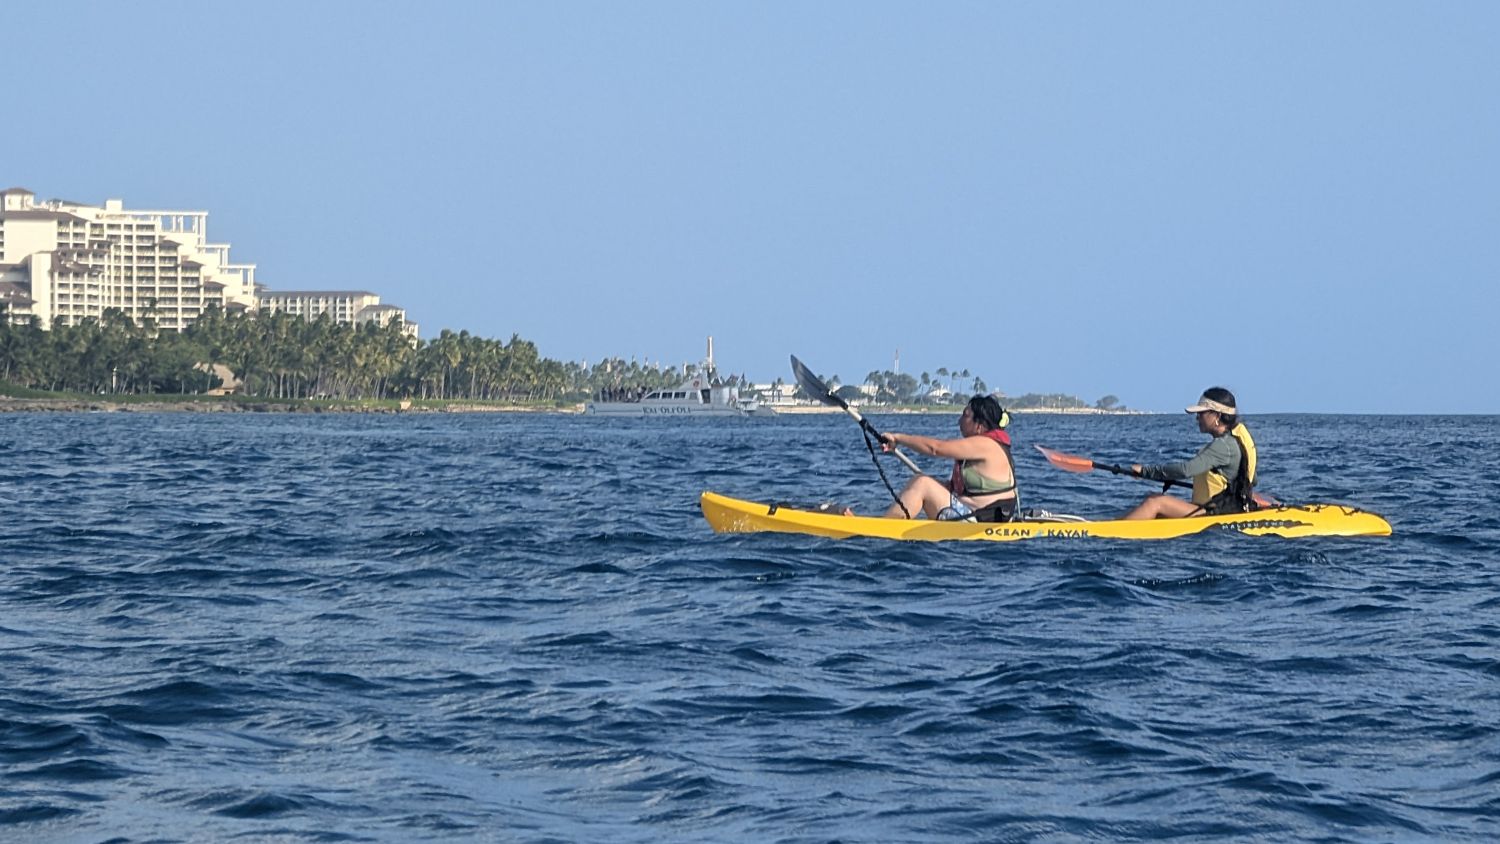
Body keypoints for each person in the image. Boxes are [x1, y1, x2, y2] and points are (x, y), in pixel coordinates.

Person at [871, 395, 1019, 521]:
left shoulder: (986, 444)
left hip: (983, 521)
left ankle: (879, 527)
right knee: (920, 480)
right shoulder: (981, 445)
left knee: (922, 484)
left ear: (980, 425)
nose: (959, 421)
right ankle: (887, 520)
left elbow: (935, 449)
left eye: (965, 415)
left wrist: (898, 438)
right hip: (973, 516)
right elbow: (954, 489)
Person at [1122, 387, 1258, 520]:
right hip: (1219, 508)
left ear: (1217, 415)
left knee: (1154, 502)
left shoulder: (1223, 446)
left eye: (1201, 413)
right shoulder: (1233, 441)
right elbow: (1252, 479)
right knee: (1158, 506)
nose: (1197, 418)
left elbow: (1186, 470)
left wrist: (1146, 471)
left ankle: (1111, 535)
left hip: (1215, 513)